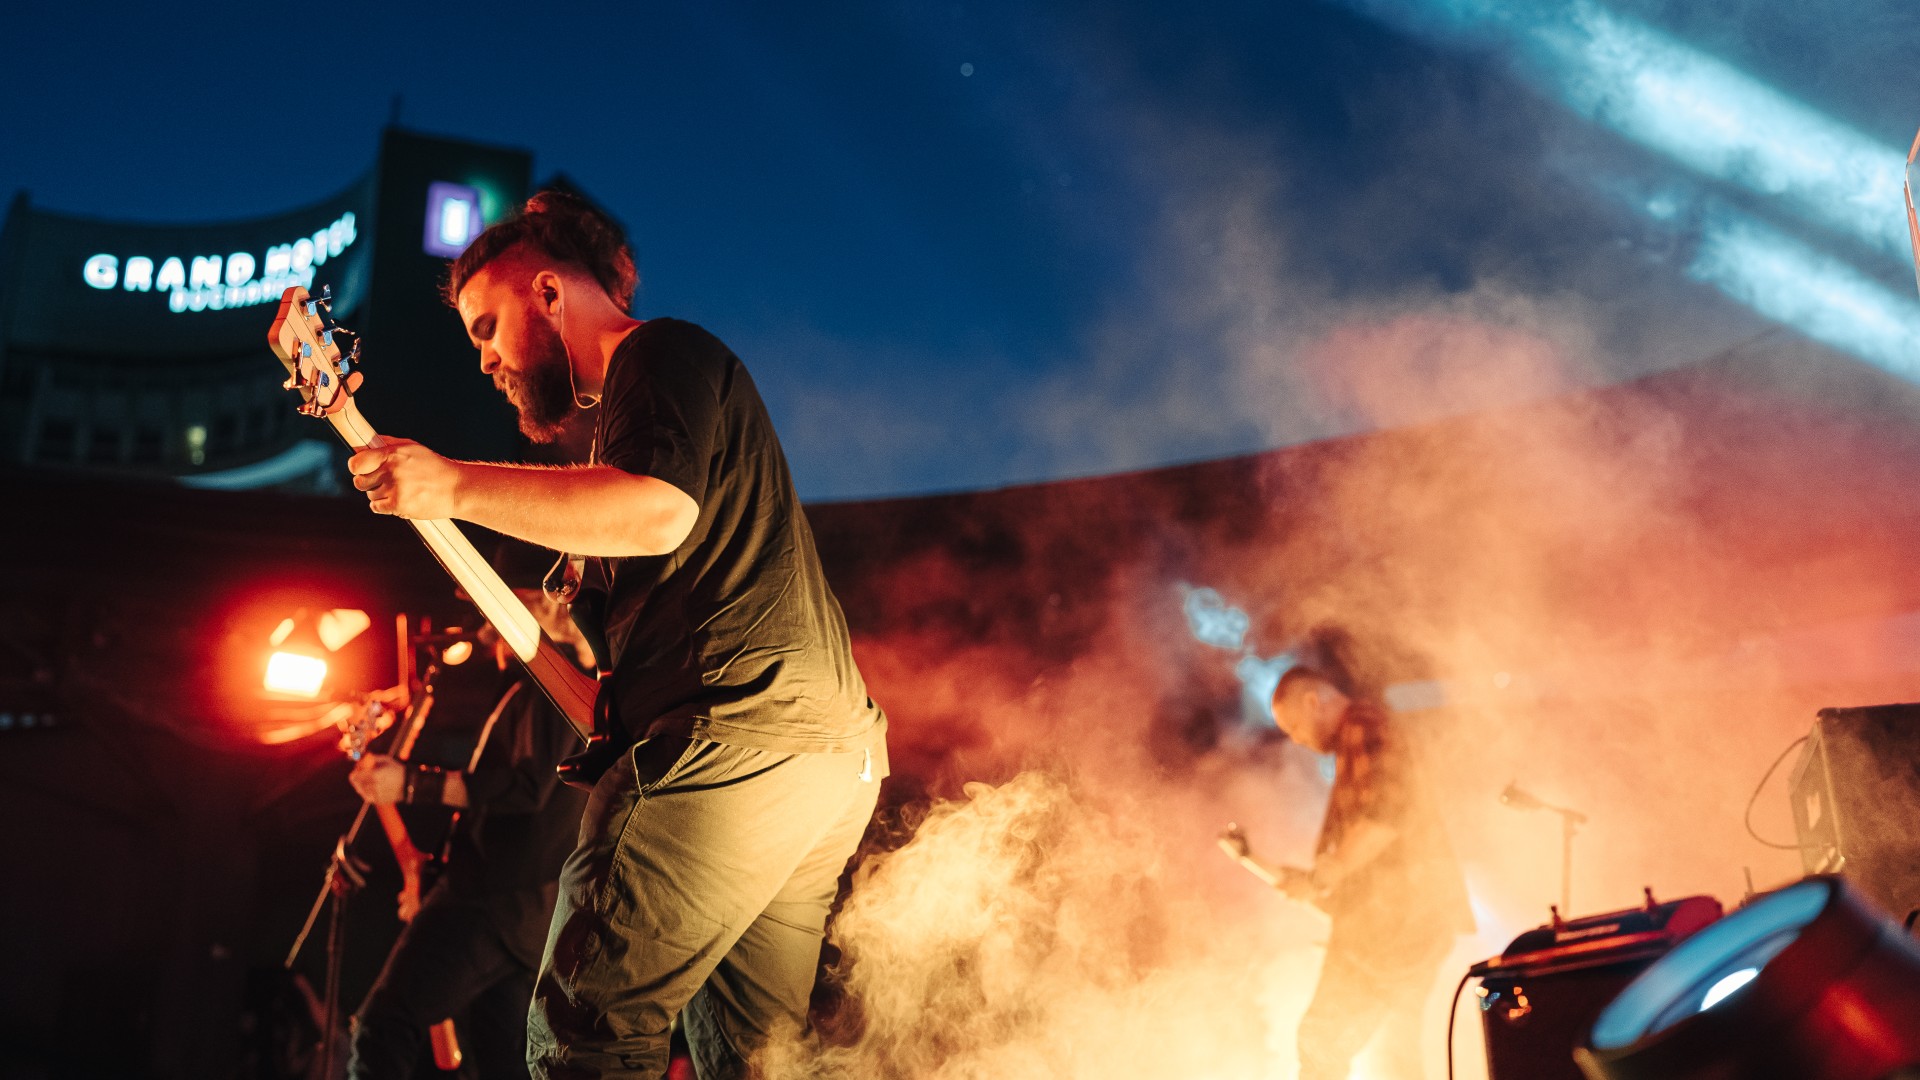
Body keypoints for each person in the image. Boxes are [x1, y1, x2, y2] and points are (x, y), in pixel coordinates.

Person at [344, 190, 888, 1079]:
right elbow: (646, 535)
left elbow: (654, 510)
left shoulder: (658, 352)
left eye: (487, 326)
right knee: (758, 1059)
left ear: (549, 293)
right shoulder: (646, 411)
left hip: (731, 740)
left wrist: (451, 486)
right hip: (824, 760)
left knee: (584, 1034)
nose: (482, 360)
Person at [345, 587, 592, 1079]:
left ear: (536, 609)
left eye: (495, 604)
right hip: (525, 915)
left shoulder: (550, 686)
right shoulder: (558, 689)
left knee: (382, 1026)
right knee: (504, 1064)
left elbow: (523, 788)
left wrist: (411, 783)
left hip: (489, 902)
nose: (483, 624)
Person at [1266, 627, 1472, 1080]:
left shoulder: (1364, 725)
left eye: (1294, 728)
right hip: (1418, 923)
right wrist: (1322, 883)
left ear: (1312, 702)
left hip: (1393, 926)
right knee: (1399, 1051)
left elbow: (1384, 817)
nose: (1297, 741)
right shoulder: (1363, 736)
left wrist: (1326, 874)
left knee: (1321, 1040)